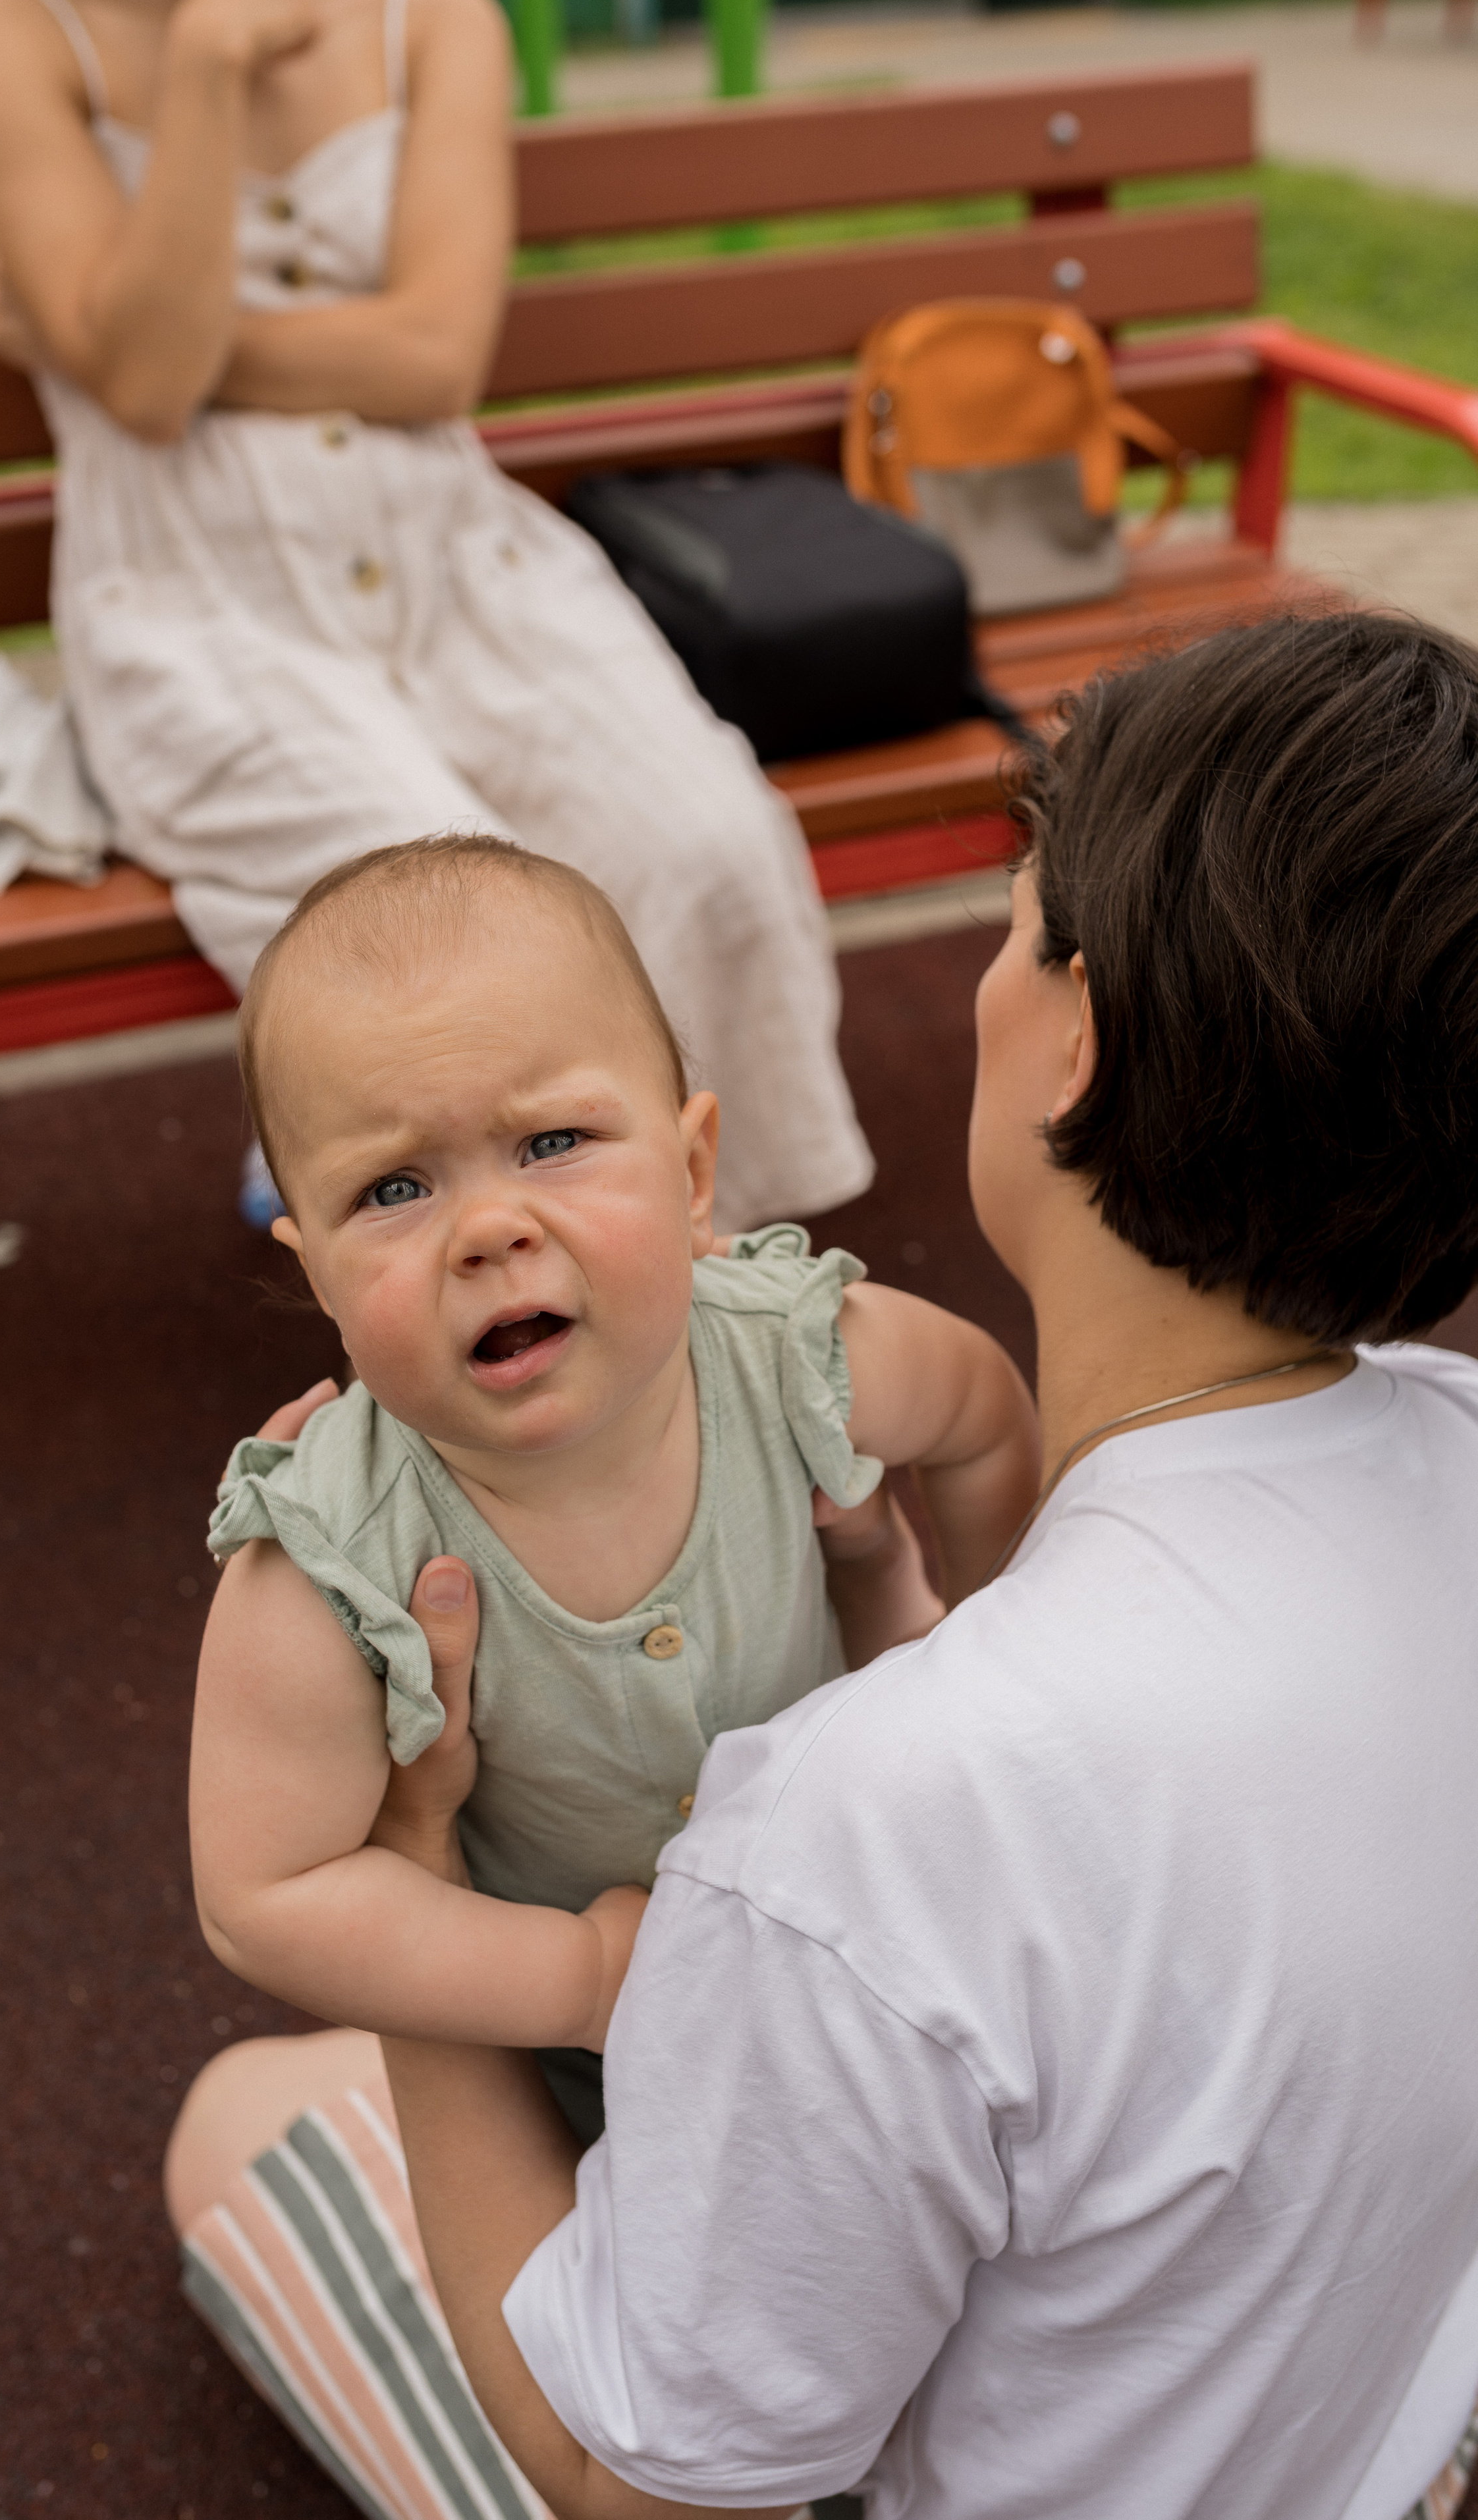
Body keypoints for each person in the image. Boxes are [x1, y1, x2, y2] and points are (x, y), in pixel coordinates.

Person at [167, 610, 1478, 2520]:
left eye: (1018, 918)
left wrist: (411, 1876)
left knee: (246, 2120)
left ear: (1076, 1035)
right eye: (395, 1186)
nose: (489, 1227)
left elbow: (648, 2494)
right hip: (1347, 2433)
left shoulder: (864, 1835)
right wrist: (910, 1607)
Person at [0, 0, 873, 1232]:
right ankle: (462, 1261)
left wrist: (73, 336)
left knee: (712, 844)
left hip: (461, 570)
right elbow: (151, 391)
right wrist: (208, 64)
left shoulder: (431, 14)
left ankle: (722, 1268)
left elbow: (432, 357)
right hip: (206, 615)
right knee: (454, 937)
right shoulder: (6, 26)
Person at [190, 832, 1041, 2144]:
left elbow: (980, 1411)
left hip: (891, 1978)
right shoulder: (331, 1557)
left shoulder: (788, 1360)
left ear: (694, 1177)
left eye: (552, 1141)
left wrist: (997, 1652)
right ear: (316, 1277)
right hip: (595, 2094)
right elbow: (264, 1889)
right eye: (394, 1188)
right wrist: (576, 1980)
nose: (488, 1228)